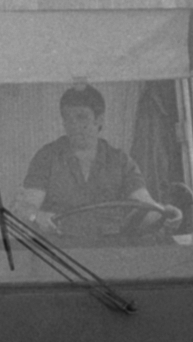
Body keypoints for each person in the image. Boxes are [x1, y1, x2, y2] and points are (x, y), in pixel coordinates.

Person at [18, 85, 179, 238]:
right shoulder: (47, 158)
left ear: (99, 120)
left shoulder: (120, 161)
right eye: (68, 118)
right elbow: (25, 208)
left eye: (81, 117)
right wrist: (37, 216)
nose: (74, 125)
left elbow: (145, 205)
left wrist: (164, 213)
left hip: (111, 250)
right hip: (61, 252)